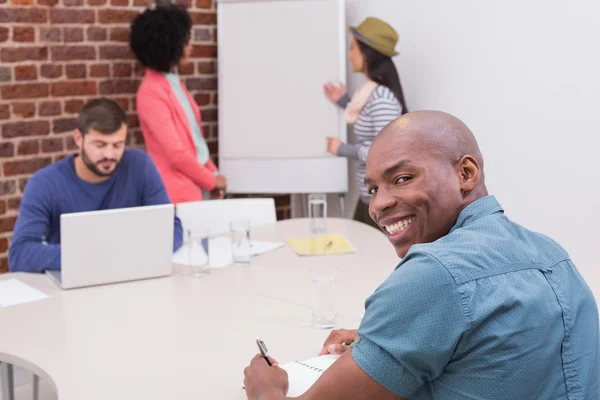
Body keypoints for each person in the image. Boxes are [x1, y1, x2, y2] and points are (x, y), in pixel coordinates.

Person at [243, 111, 599, 399]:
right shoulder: (551, 253)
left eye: (401, 178)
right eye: (372, 188)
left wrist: (266, 389)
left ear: (466, 173)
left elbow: (446, 292)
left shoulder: (433, 275)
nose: (378, 203)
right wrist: (389, 337)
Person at [9, 98, 184, 273]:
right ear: (79, 138)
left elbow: (170, 226)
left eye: (117, 145)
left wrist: (135, 253)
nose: (109, 154)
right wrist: (96, 256)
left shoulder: (140, 165)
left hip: (131, 276)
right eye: (100, 145)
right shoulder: (45, 183)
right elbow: (20, 254)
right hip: (74, 282)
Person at [130, 4, 227, 204]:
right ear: (170, 46)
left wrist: (213, 173)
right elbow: (176, 153)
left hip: (197, 187)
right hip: (178, 193)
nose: (190, 47)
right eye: (186, 41)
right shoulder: (150, 92)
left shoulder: (173, 82)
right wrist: (211, 180)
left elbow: (195, 140)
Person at [323, 17, 408, 229]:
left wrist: (343, 149)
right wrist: (344, 101)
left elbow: (384, 152)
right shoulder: (371, 93)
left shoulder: (381, 97)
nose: (350, 54)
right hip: (371, 196)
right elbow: (368, 117)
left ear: (367, 53)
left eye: (353, 48)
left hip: (382, 200)